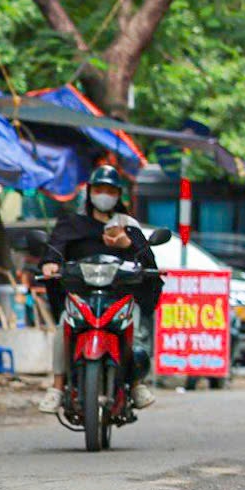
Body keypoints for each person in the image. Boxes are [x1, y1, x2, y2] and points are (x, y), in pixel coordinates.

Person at [38, 162, 160, 413]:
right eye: (100, 189)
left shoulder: (128, 227)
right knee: (63, 327)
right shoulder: (72, 225)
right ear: (91, 191)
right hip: (82, 297)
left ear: (118, 195)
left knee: (134, 333)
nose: (105, 195)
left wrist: (126, 243)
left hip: (119, 298)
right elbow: (55, 249)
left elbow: (148, 262)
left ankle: (136, 383)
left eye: (111, 190)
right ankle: (57, 387)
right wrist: (50, 263)